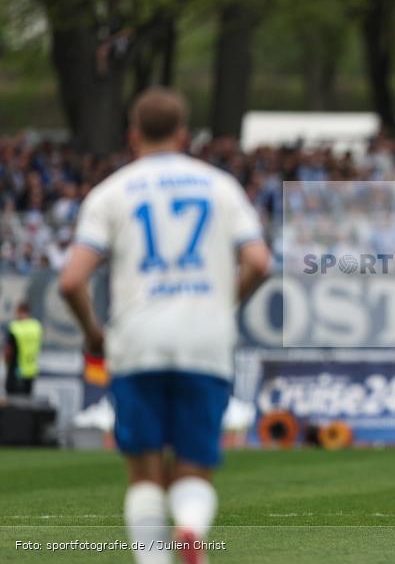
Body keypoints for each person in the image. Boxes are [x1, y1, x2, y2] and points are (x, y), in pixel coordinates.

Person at [59, 87, 271, 564]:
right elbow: (258, 260)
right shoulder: (219, 187)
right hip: (205, 339)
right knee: (194, 467)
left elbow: (71, 280)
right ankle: (192, 527)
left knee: (145, 474)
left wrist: (94, 332)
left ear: (132, 134)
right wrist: (223, 303)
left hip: (137, 339)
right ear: (182, 135)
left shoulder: (110, 192)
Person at [4, 301, 43, 397]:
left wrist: (6, 363)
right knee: (27, 403)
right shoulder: (36, 327)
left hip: (16, 370)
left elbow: (8, 350)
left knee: (13, 403)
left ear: (19, 311)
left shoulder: (15, 327)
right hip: (31, 371)